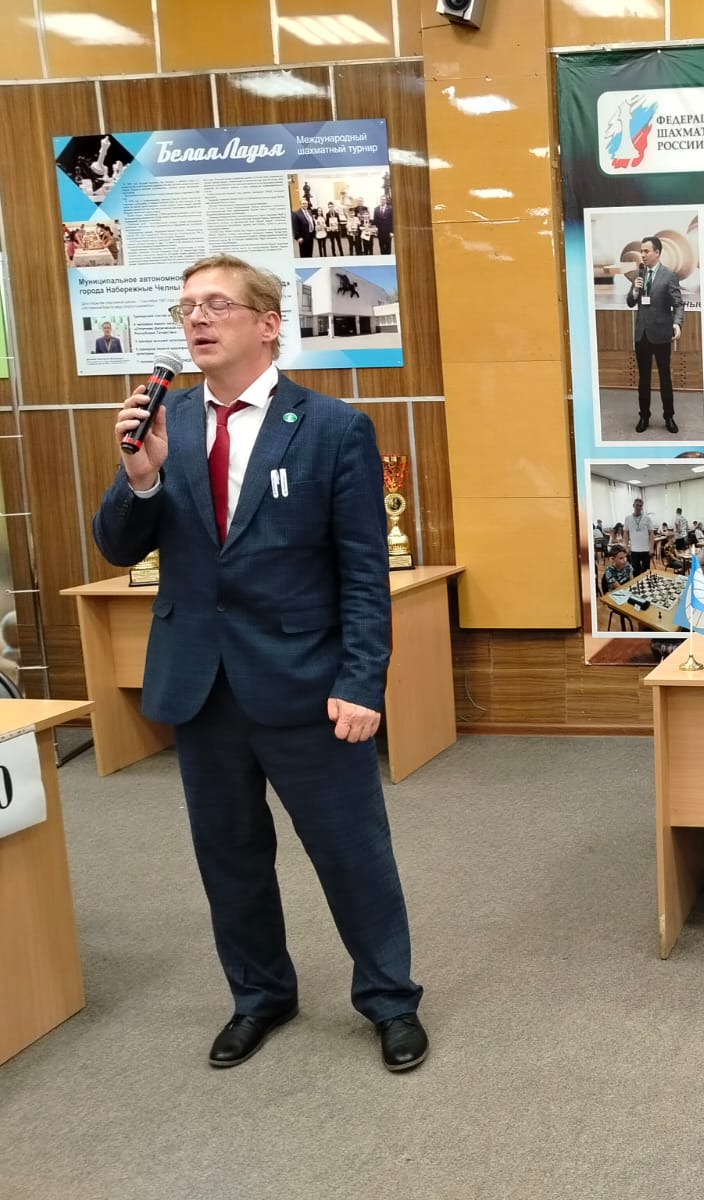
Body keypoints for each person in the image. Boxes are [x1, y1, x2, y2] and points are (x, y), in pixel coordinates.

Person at [92, 253, 428, 1073]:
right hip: (201, 685)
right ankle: (260, 996)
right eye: (186, 308)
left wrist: (361, 681)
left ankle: (389, 1000)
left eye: (216, 305)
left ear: (268, 324)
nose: (197, 320)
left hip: (307, 685)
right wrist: (139, 476)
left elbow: (363, 573)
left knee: (351, 854)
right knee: (230, 857)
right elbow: (117, 547)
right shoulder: (165, 424)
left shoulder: (333, 428)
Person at [625, 235, 684, 434]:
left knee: (665, 377)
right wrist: (635, 290)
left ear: (657, 252)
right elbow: (630, 302)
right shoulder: (638, 274)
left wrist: (677, 323)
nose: (642, 254)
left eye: (646, 251)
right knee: (644, 379)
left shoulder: (669, 275)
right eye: (641, 251)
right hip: (641, 335)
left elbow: (678, 304)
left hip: (661, 334)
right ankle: (644, 416)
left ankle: (669, 416)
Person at [623, 497, 654, 577]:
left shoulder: (647, 518)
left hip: (645, 549)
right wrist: (626, 546)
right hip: (634, 550)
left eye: (640, 506)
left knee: (646, 571)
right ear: (633, 505)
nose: (639, 507)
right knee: (635, 571)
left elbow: (651, 534)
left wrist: (651, 548)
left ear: (642, 507)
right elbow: (625, 533)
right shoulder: (628, 518)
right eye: (637, 505)